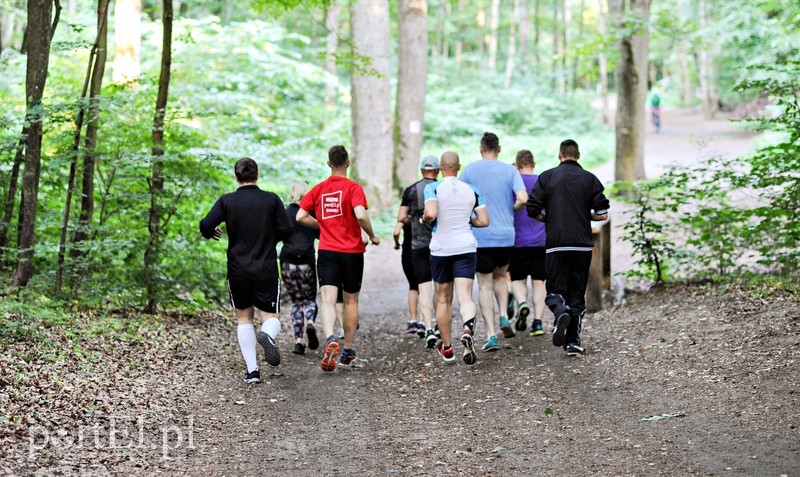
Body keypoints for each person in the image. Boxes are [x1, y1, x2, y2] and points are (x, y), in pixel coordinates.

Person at [199, 157, 293, 384]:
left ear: (236, 176)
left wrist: (212, 232)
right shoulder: (271, 200)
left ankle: (252, 372)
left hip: (238, 270)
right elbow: (288, 230)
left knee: (244, 318)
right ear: (257, 175)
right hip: (266, 268)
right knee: (271, 316)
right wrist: (271, 237)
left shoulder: (227, 201)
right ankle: (268, 335)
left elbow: (205, 225)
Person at [296, 145, 380, 372]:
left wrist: (321, 226)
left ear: (328, 164)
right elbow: (361, 214)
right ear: (348, 163)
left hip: (327, 252)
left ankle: (331, 337)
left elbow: (300, 216)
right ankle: (348, 350)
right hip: (352, 253)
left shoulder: (319, 189)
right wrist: (372, 235)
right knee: (351, 301)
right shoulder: (354, 188)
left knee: (328, 299)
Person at [526, 139, 610, 356]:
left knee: (554, 290)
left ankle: (560, 310)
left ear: (559, 155)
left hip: (556, 244)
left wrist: (548, 218)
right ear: (578, 155)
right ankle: (572, 342)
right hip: (582, 245)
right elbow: (603, 213)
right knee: (576, 292)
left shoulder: (547, 177)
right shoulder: (590, 179)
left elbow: (532, 208)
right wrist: (586, 215)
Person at [459, 132, 528, 352]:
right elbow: (524, 198)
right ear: (499, 149)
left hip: (481, 237)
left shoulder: (469, 170)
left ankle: (490, 334)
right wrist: (511, 209)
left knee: (485, 284)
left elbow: (459, 197)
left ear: (481, 149)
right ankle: (504, 316)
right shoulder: (510, 170)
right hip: (506, 235)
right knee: (501, 277)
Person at [423, 151, 489, 365]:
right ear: (458, 167)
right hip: (465, 246)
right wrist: (467, 221)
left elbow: (431, 213)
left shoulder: (432, 187)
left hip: (441, 248)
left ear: (441, 168)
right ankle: (468, 329)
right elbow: (484, 220)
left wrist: (425, 219)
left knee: (443, 298)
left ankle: (448, 348)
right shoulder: (472, 189)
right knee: (465, 296)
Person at [393, 155, 440, 348]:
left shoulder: (411, 190)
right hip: (439, 243)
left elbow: (401, 217)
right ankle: (437, 322)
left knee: (420, 285)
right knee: (439, 285)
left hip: (416, 243)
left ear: (422, 170)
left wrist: (414, 218)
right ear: (437, 171)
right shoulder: (441, 188)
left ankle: (420, 322)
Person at [280, 181, 321, 355]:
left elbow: (276, 235)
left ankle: (298, 341)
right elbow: (322, 234)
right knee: (309, 298)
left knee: (297, 301)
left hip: (287, 261)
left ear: (292, 193)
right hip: (306, 260)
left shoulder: (284, 213)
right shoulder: (311, 214)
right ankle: (310, 322)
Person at [509, 150, 547, 337]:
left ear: (516, 165)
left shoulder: (513, 183)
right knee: (539, 282)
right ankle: (538, 323)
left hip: (518, 241)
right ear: (534, 163)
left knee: (518, 279)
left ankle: (522, 303)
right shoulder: (543, 181)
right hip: (541, 240)